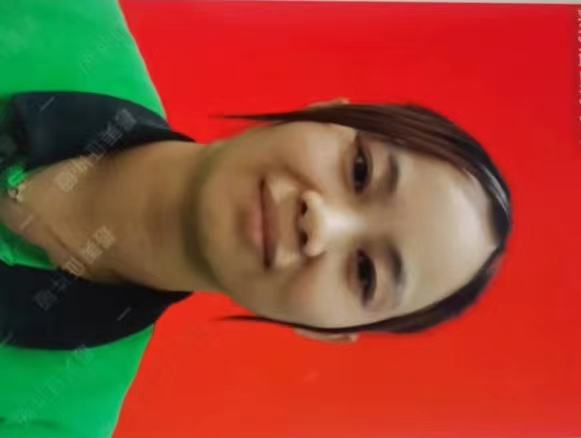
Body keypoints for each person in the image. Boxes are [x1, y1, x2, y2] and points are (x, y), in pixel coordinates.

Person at [0, 0, 511, 436]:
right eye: (360, 171)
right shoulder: (61, 14)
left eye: (364, 273)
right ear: (325, 109)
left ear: (326, 331)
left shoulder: (51, 420)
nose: (321, 224)